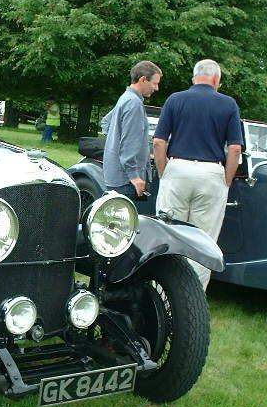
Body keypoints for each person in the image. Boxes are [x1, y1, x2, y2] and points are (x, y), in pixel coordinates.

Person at [153, 59, 243, 291]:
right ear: (216, 79)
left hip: (177, 168)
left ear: (194, 77)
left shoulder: (175, 99)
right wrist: (226, 180)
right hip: (211, 172)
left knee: (168, 234)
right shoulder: (228, 104)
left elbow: (159, 142)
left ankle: (162, 295)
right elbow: (235, 149)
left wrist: (164, 173)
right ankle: (194, 297)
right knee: (204, 241)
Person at [102, 61, 162, 200]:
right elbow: (129, 142)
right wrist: (134, 176)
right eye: (155, 83)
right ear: (143, 79)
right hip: (127, 180)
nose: (156, 88)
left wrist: (114, 146)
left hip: (115, 175)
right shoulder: (134, 103)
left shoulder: (125, 98)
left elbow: (106, 123)